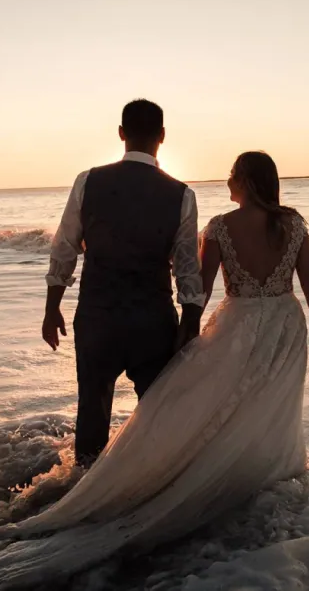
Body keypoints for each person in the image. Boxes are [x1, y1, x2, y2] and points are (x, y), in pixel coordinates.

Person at [0, 150, 309, 590]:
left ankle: (146, 471)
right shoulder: (293, 225)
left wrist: (188, 328)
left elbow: (200, 284)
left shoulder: (220, 227)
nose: (227, 182)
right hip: (286, 324)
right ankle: (260, 473)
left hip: (235, 325)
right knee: (269, 404)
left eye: (233, 176)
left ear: (247, 182)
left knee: (215, 401)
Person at [42, 98, 205, 468]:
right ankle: (152, 486)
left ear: (120, 133)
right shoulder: (182, 195)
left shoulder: (88, 181)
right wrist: (190, 321)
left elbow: (64, 247)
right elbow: (187, 268)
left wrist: (52, 308)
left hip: (98, 316)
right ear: (162, 136)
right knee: (157, 412)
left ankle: (83, 489)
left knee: (92, 411)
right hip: (152, 320)